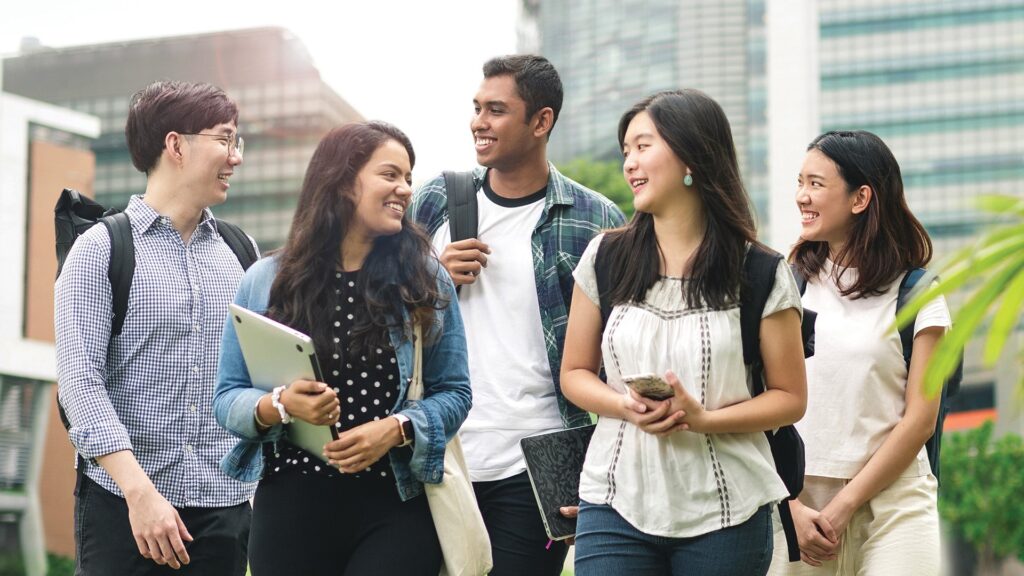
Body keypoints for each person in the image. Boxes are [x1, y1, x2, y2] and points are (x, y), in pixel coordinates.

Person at [560, 89, 808, 576]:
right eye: (626, 150)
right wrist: (624, 406)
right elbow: (574, 372)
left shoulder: (759, 272)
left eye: (643, 146)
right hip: (615, 499)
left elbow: (790, 397)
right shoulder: (605, 257)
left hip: (727, 511)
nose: (630, 162)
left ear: (691, 155)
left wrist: (703, 419)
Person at [214, 121, 471, 575]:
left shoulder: (425, 277)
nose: (405, 189)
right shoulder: (265, 279)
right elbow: (227, 398)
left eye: (409, 178)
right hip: (291, 503)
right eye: (390, 175)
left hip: (394, 504)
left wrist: (396, 429)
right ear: (344, 179)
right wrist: (279, 404)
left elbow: (455, 391)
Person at [410, 54, 625, 575]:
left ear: (541, 121)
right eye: (477, 108)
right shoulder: (436, 201)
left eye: (497, 110)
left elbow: (621, 354)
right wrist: (432, 276)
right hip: (437, 453)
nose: (478, 122)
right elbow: (381, 313)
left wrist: (603, 473)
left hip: (535, 467)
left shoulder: (596, 220)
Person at [55, 81, 256, 575]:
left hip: (223, 507)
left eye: (238, 143)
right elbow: (80, 384)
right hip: (123, 506)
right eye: (225, 139)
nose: (236, 157)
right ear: (176, 145)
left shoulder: (241, 252)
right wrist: (139, 493)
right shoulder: (101, 249)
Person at [767, 131, 949, 575]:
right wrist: (789, 505)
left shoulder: (918, 292)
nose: (801, 197)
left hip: (894, 502)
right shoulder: (786, 286)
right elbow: (760, 402)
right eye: (799, 182)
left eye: (816, 184)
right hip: (797, 501)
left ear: (860, 197)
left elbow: (921, 418)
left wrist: (846, 503)